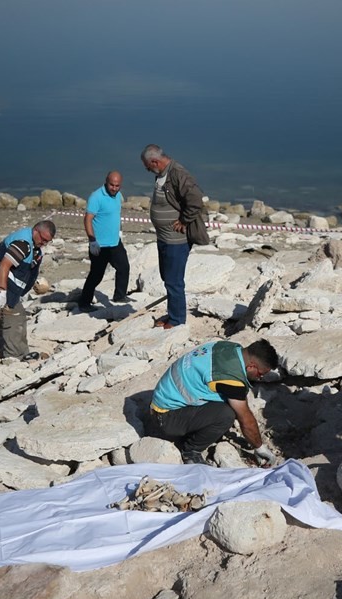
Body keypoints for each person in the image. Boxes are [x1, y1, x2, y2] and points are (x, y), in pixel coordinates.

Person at [147, 338, 280, 466]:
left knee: (227, 401)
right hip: (164, 419)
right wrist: (259, 447)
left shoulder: (229, 347)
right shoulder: (231, 379)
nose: (261, 377)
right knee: (226, 414)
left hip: (161, 399)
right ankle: (191, 451)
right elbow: (245, 418)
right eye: (260, 373)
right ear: (251, 366)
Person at [140, 144, 209, 329]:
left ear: (154, 161)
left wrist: (185, 221)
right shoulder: (161, 174)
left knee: (174, 280)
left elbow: (195, 199)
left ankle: (178, 320)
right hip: (163, 238)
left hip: (176, 240)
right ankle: (172, 314)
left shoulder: (178, 174)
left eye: (147, 166)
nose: (147, 170)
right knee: (167, 277)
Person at [0, 220, 56, 362]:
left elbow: (23, 270)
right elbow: (4, 266)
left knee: (20, 317)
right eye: (43, 239)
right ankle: (12, 358)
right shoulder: (22, 244)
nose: (44, 243)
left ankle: (22, 353)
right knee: (13, 318)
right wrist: (1, 292)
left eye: (47, 241)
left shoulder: (33, 245)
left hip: (8, 288)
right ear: (36, 231)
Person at [78, 171, 132, 312]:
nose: (114, 188)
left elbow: (116, 215)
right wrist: (92, 240)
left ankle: (120, 296)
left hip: (115, 242)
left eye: (117, 185)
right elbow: (88, 219)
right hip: (99, 245)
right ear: (106, 182)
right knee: (96, 275)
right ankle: (84, 303)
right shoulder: (96, 197)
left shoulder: (118, 196)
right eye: (112, 185)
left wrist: (120, 231)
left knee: (124, 268)